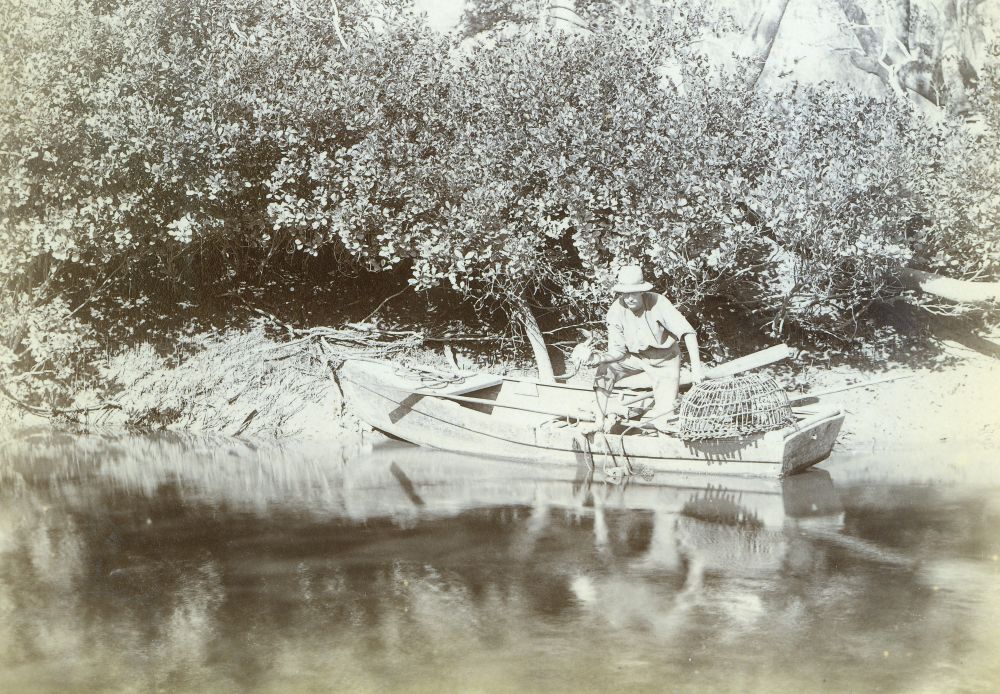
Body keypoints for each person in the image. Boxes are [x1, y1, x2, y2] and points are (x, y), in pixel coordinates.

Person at [586, 265, 705, 429]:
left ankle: (663, 415)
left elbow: (688, 333)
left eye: (634, 293)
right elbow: (617, 352)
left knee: (664, 419)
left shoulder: (658, 302)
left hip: (665, 360)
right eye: (625, 294)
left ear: (642, 291)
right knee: (605, 369)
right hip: (636, 357)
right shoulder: (616, 310)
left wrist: (696, 369)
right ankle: (599, 422)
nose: (629, 298)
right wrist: (597, 358)